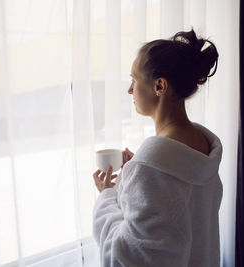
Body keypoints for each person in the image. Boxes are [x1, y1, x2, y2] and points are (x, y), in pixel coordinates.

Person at [92, 29, 223, 267]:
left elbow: (126, 258)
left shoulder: (150, 169)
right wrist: (135, 174)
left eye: (133, 80)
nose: (129, 90)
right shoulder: (200, 145)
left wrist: (107, 196)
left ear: (160, 86)